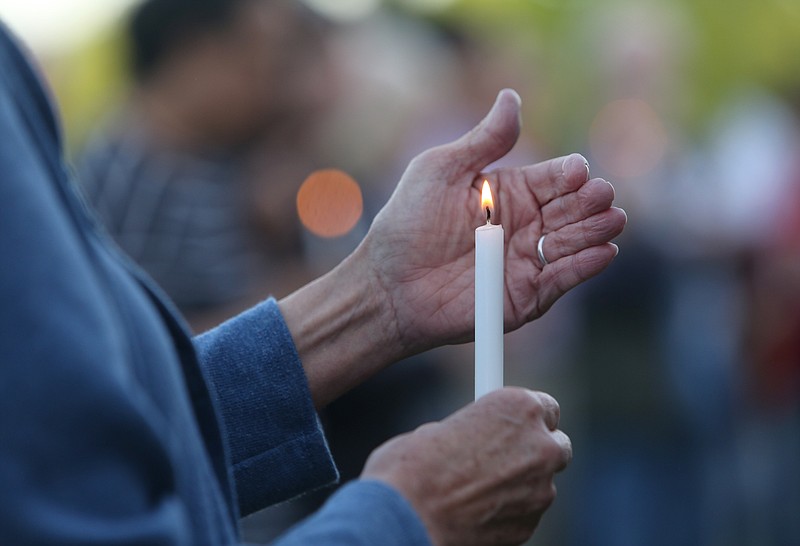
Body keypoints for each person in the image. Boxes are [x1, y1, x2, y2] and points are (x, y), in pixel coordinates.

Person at [0, 15, 626, 546]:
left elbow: (117, 423)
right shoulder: (129, 165)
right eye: (265, 54)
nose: (281, 82)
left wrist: (377, 297)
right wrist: (405, 518)